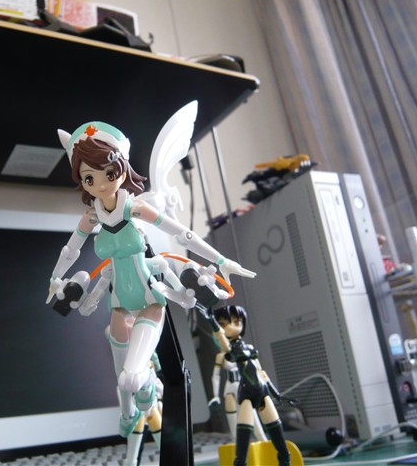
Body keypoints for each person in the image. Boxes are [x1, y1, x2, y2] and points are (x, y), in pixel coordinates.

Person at [47, 116, 256, 438]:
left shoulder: (135, 209)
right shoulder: (91, 217)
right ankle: (131, 411)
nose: (100, 184)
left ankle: (145, 390)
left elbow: (183, 234)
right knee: (123, 377)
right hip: (118, 305)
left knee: (130, 378)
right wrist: (56, 279)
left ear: (122, 169)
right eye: (89, 177)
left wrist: (221, 260)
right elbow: (70, 249)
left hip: (149, 301)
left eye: (108, 173)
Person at [203, 305, 295, 466]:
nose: (231, 326)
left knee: (279, 440)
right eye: (224, 323)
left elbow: (262, 373)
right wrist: (213, 323)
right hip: (246, 393)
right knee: (242, 441)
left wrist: (277, 395)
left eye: (236, 321)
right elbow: (224, 344)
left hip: (263, 391)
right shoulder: (230, 351)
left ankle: (285, 461)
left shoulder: (250, 348)